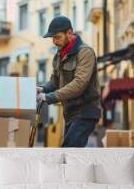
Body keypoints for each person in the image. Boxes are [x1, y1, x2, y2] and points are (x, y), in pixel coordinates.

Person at [37, 16, 101, 147]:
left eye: (57, 37)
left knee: (69, 151)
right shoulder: (59, 56)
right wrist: (42, 89)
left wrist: (49, 97)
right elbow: (54, 82)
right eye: (52, 38)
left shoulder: (85, 53)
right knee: (70, 154)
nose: (54, 41)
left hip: (85, 112)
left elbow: (79, 84)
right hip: (70, 113)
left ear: (70, 33)